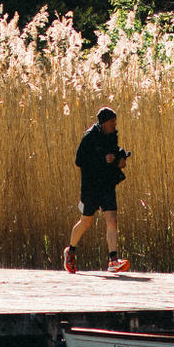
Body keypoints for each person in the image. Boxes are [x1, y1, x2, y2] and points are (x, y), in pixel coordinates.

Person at [65, 106, 129, 272]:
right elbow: (79, 161)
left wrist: (120, 159)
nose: (115, 124)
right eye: (112, 121)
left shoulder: (112, 135)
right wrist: (103, 159)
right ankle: (70, 252)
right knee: (86, 221)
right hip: (91, 186)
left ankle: (113, 260)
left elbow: (114, 153)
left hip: (107, 184)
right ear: (104, 122)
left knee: (112, 220)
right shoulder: (89, 137)